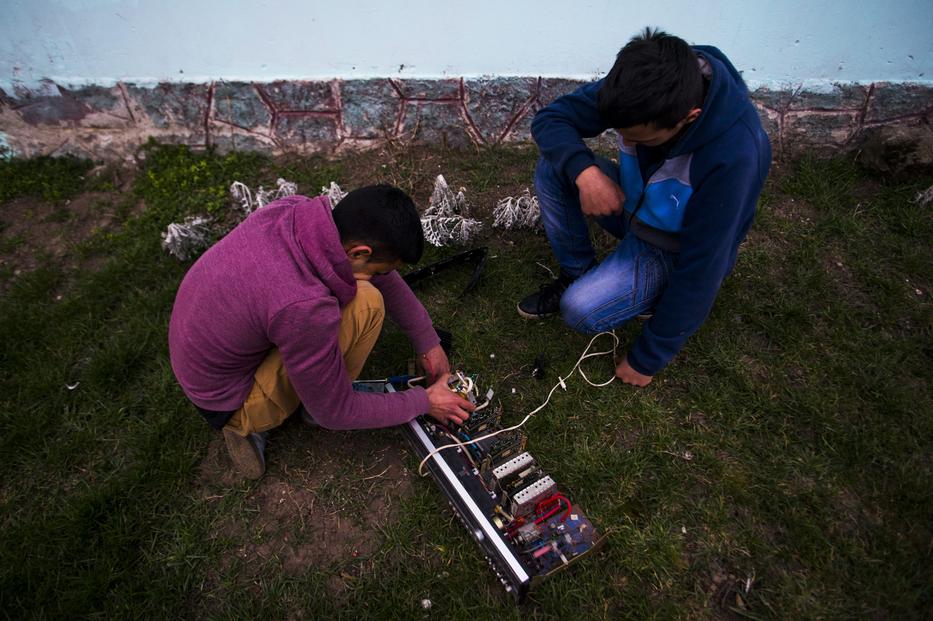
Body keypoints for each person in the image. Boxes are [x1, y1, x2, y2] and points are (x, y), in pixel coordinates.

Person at [519, 28, 771, 387]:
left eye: (641, 139)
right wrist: (586, 172)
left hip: (670, 246)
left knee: (579, 310)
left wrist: (648, 357)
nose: (628, 141)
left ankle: (652, 292)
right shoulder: (642, 85)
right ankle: (579, 271)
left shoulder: (736, 156)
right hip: (634, 203)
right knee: (555, 167)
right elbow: (551, 119)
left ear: (690, 116)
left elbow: (704, 266)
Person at [169, 185, 475, 479]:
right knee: (366, 303)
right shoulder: (304, 306)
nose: (381, 277)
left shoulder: (296, 212)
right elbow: (336, 411)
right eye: (379, 270)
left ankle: (302, 383)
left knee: (359, 288)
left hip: (205, 360)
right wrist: (424, 401)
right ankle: (248, 426)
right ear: (359, 252)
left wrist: (427, 341)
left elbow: (375, 272)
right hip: (229, 401)